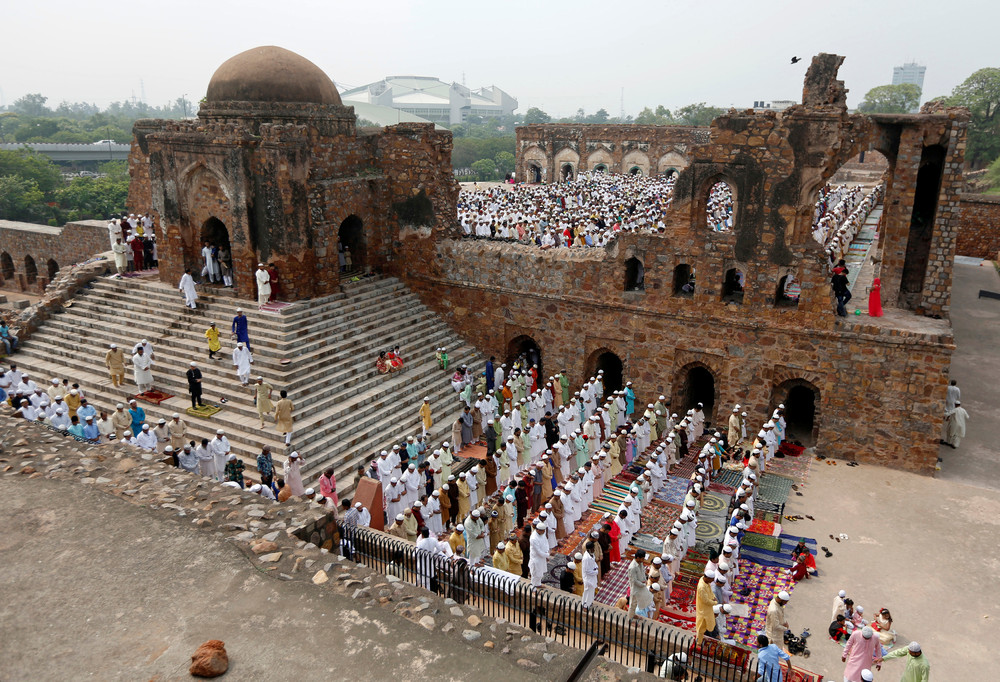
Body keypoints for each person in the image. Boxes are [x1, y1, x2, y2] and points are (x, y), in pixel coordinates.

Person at [528, 521, 549, 587]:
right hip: (536, 558)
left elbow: (546, 542)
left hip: (542, 556)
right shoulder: (533, 538)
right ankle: (533, 588)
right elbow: (538, 551)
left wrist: (547, 551)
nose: (544, 532)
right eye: (542, 531)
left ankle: (538, 584)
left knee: (540, 572)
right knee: (535, 573)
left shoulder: (542, 534)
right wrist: (547, 555)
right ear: (538, 530)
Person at [581, 542, 599, 608]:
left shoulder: (592, 554)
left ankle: (590, 602)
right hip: (588, 577)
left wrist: (596, 567)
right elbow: (587, 570)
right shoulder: (586, 558)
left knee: (592, 591)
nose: (594, 550)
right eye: (592, 548)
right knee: (587, 591)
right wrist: (595, 572)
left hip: (592, 575)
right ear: (589, 549)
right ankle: (585, 605)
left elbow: (594, 563)